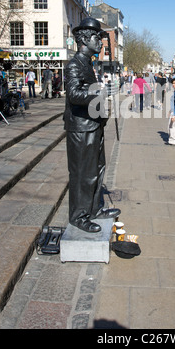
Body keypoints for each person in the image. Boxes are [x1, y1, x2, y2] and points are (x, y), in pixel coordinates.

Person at [64, 17, 120, 233]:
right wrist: (99, 91)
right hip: (80, 129)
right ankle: (79, 215)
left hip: (93, 125)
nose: (101, 42)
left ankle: (95, 208)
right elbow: (74, 94)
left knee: (97, 169)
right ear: (85, 39)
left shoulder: (88, 64)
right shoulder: (74, 65)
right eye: (97, 38)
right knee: (82, 174)